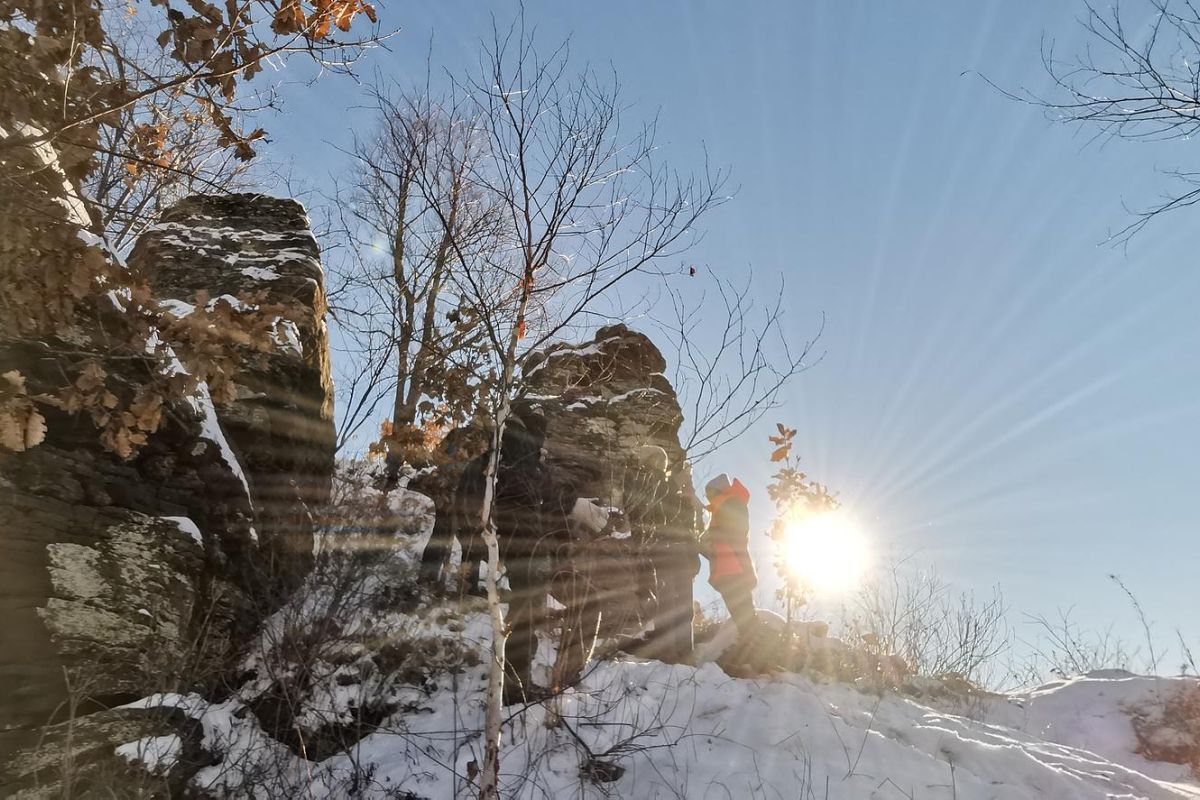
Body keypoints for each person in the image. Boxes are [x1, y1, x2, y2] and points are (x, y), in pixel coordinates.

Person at [700, 474, 758, 650]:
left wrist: (711, 535)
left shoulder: (732, 503)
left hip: (734, 569)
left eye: (710, 493)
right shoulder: (722, 508)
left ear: (719, 491)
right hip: (727, 569)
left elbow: (736, 532)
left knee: (744, 613)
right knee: (741, 614)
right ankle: (751, 650)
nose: (709, 498)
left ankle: (757, 652)